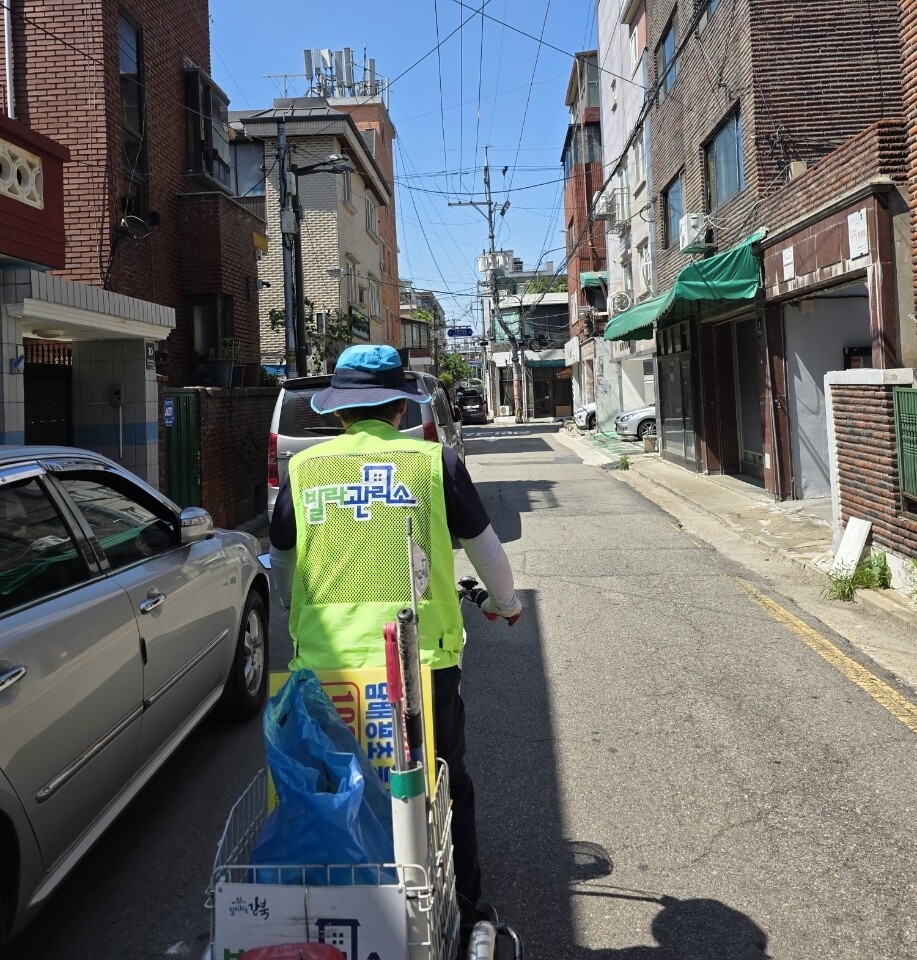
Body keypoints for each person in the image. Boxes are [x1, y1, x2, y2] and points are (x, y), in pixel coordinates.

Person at [268, 344, 522, 934]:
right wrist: (505, 606)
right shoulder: (434, 464)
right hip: (418, 666)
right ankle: (467, 910)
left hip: (325, 670)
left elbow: (282, 563)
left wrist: (293, 613)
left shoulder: (303, 471)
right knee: (443, 782)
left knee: (330, 782)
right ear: (401, 410)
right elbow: (488, 553)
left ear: (337, 414)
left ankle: (331, 899)